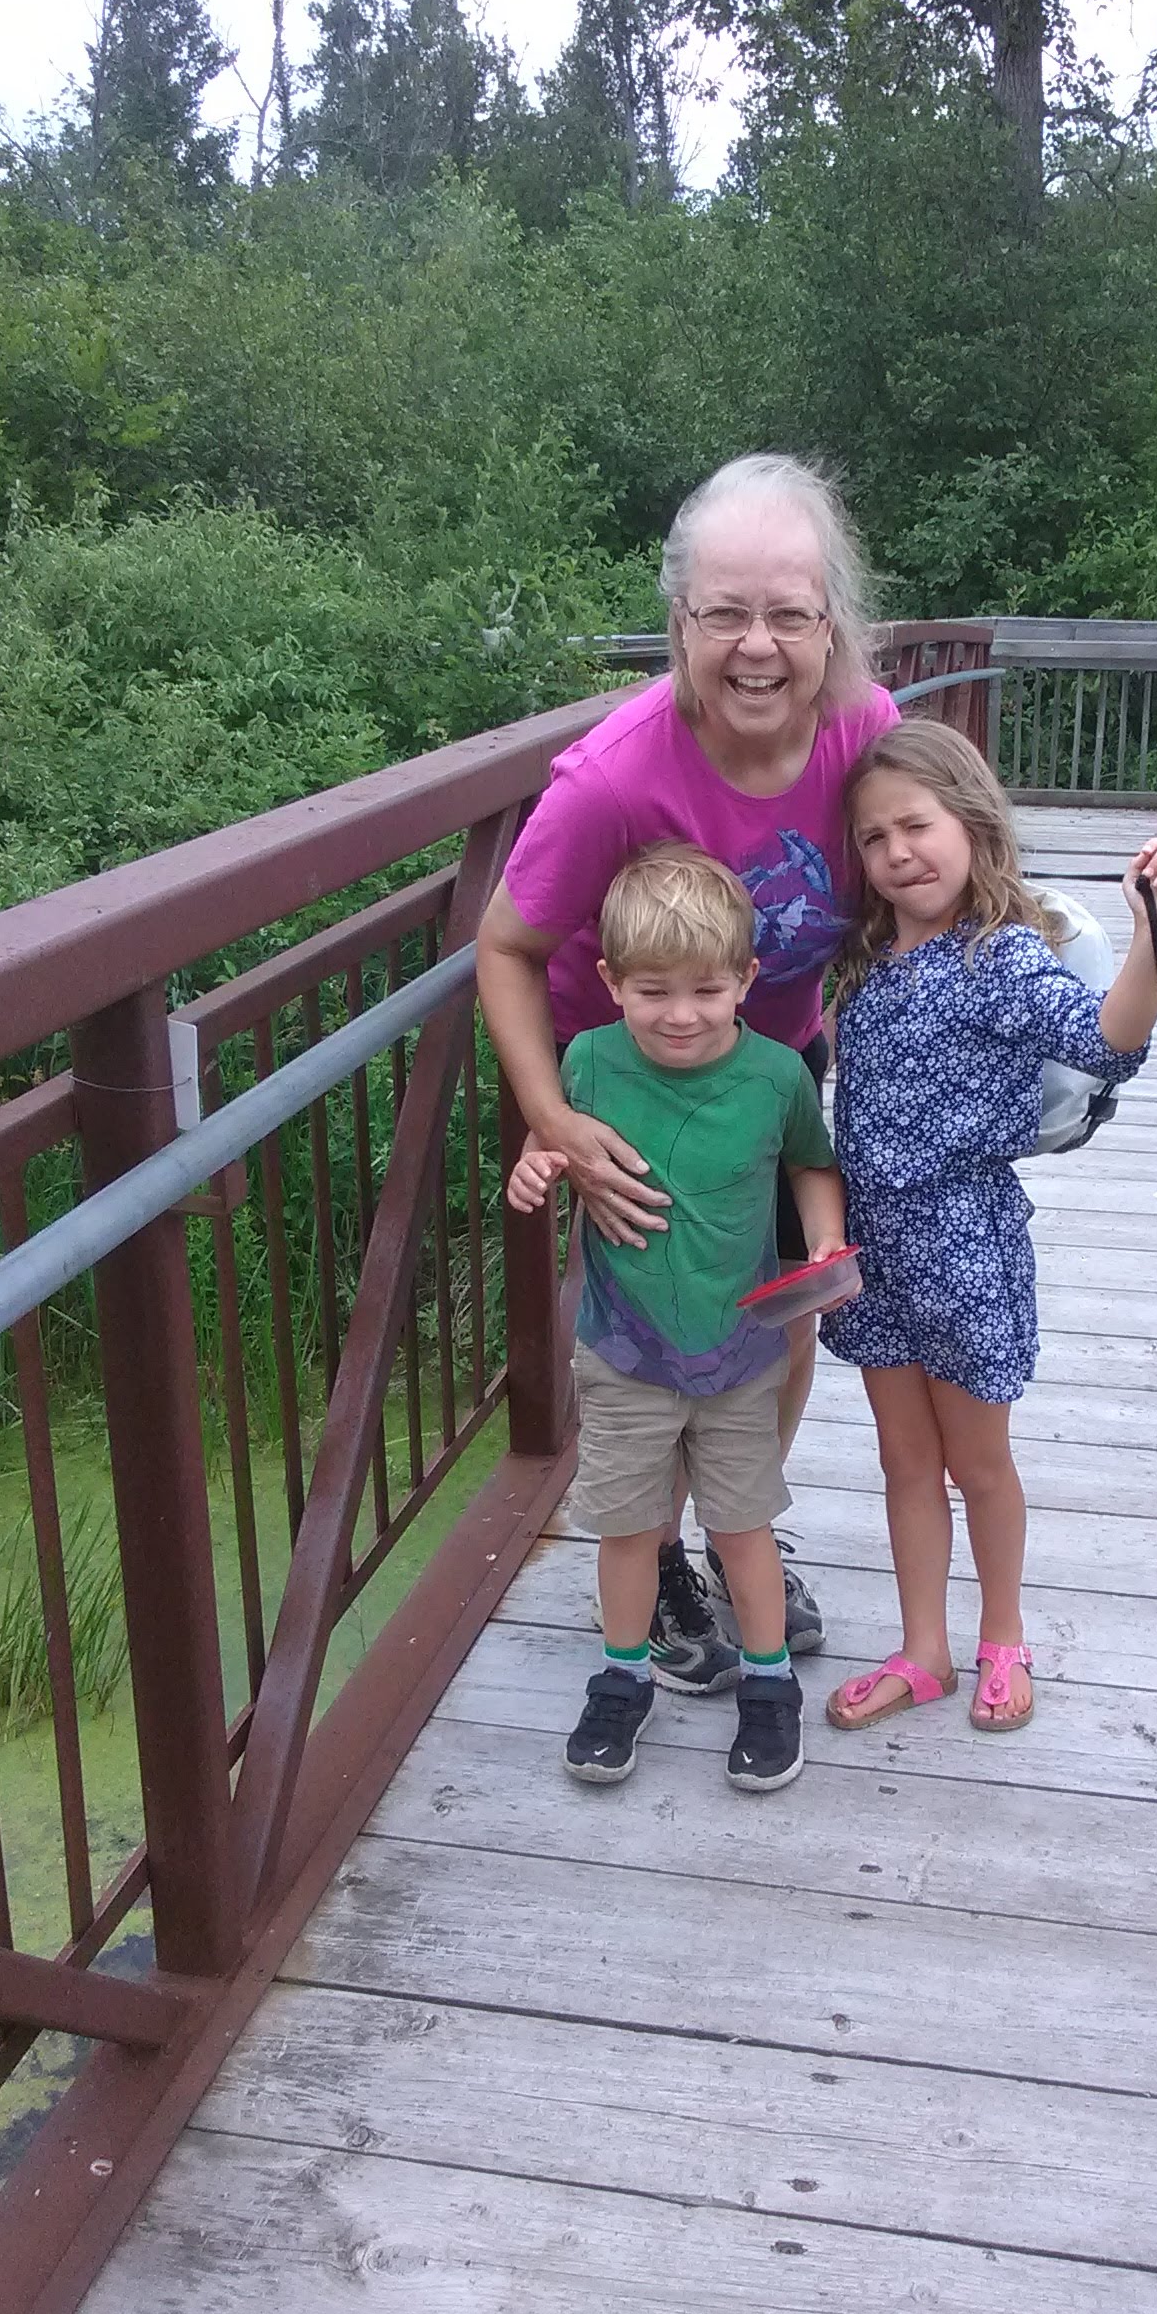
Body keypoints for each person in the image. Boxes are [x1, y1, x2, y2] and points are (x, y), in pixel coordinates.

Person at [477, 453, 899, 1687]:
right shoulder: (617, 775)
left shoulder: (868, 734)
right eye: (726, 613)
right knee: (658, 1323)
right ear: (679, 623)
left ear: (832, 625)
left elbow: (929, 873)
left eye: (789, 614)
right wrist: (555, 1117)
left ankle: (736, 1529)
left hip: (776, 1068)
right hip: (634, 1087)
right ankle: (656, 1557)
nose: (758, 647)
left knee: (782, 1306)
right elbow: (504, 946)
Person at [818, 721, 1157, 1733]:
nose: (898, 852)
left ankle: (1002, 1637)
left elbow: (1106, 1041)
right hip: (873, 1248)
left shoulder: (1002, 955)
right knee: (905, 1461)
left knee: (976, 1463)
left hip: (964, 1247)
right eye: (873, 838)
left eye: (917, 825)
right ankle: (923, 1651)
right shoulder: (860, 959)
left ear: (973, 824)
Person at [505, 844, 848, 1792]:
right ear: (611, 982)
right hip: (623, 1353)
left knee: (743, 1527)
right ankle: (623, 1678)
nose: (681, 1014)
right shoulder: (587, 1060)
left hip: (740, 1355)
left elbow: (810, 1162)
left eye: (706, 990)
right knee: (628, 1527)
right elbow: (550, 1136)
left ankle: (769, 1687)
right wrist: (538, 1164)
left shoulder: (776, 1076)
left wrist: (825, 1240)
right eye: (653, 992)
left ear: (747, 979)